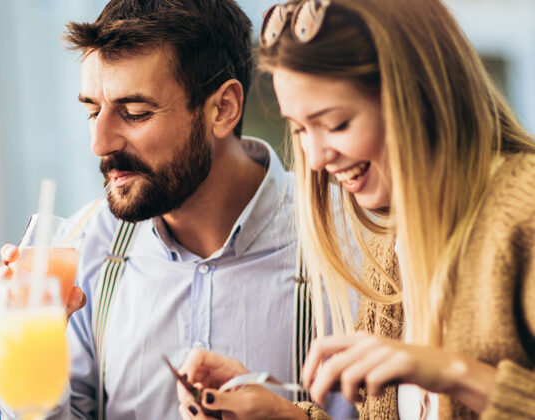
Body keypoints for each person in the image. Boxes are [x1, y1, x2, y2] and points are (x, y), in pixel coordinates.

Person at [0, 0, 354, 419]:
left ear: (222, 108)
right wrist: (16, 369)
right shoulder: (88, 248)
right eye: (92, 111)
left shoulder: (348, 245)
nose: (99, 144)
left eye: (134, 113)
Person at [175, 0, 535, 419]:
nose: (314, 159)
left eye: (337, 123)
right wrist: (280, 415)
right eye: (300, 129)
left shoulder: (522, 208)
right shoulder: (393, 245)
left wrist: (454, 373)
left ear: (420, 95)